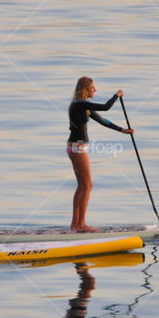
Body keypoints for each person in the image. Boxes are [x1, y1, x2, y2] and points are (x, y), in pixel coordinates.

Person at [67, 77, 133, 232]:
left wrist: (122, 130)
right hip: (77, 148)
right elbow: (106, 107)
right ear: (85, 89)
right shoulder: (79, 103)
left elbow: (103, 120)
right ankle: (81, 225)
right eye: (92, 87)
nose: (95, 90)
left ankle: (75, 224)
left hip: (75, 148)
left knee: (82, 186)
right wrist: (117, 95)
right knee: (87, 185)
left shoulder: (82, 106)